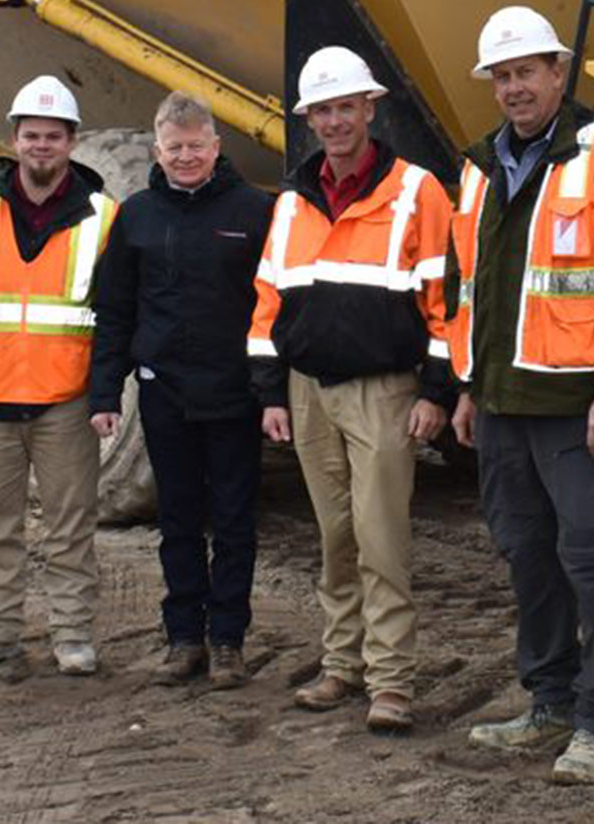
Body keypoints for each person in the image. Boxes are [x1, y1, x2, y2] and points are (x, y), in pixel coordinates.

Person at [447, 6, 594, 784]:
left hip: (581, 410)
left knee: (593, 559)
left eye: (527, 72)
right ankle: (548, 700)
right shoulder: (478, 167)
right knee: (528, 559)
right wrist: (470, 388)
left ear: (558, 72)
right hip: (504, 405)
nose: (515, 88)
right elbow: (470, 289)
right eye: (502, 76)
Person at [250, 46, 455, 733]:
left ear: (369, 109)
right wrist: (271, 392)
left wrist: (437, 390)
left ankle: (391, 682)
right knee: (335, 535)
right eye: (323, 111)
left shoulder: (417, 190)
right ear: (308, 119)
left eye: (346, 107)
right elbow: (268, 298)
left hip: (383, 392)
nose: (335, 122)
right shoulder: (292, 200)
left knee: (381, 537)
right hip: (309, 391)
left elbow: (444, 300)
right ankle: (342, 665)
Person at [87, 91, 274, 689]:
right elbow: (114, 310)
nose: (186, 156)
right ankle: (183, 639)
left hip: (233, 393)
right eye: (175, 147)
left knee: (235, 521)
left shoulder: (255, 212)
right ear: (157, 149)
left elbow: (275, 307)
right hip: (163, 392)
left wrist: (272, 392)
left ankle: (228, 642)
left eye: (196, 146)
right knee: (179, 521)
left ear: (216, 148)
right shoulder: (137, 216)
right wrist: (103, 393)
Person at [0, 75, 120, 677]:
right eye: (30, 135)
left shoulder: (103, 218)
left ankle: (72, 635)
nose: (40, 145)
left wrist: (103, 392)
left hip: (64, 400)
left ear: (71, 142)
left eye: (53, 136)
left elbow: (116, 315)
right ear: (13, 139)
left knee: (71, 527)